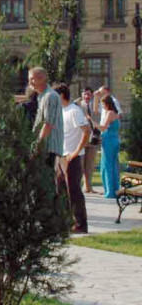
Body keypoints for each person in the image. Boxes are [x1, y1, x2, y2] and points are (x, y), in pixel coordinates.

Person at [53, 83, 90, 233]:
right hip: (60, 155)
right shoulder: (61, 111)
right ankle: (66, 221)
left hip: (72, 157)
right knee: (60, 190)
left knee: (73, 191)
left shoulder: (74, 111)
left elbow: (86, 132)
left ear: (61, 95)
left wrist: (75, 152)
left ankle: (81, 225)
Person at [29, 67, 64, 167]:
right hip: (45, 147)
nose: (30, 82)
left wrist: (38, 145)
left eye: (32, 79)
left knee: (46, 179)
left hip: (48, 148)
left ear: (42, 79)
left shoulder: (50, 96)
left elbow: (48, 124)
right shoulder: (41, 96)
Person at [89, 94, 121, 199]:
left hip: (109, 141)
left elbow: (103, 128)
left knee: (107, 165)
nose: (102, 106)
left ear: (107, 104)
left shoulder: (110, 113)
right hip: (114, 139)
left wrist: (92, 121)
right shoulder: (116, 113)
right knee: (113, 165)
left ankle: (110, 191)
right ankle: (115, 189)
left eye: (102, 104)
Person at [76, 87, 99, 193]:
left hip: (93, 138)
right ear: (82, 95)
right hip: (81, 138)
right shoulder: (77, 105)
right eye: (85, 94)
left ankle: (88, 187)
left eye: (89, 94)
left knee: (89, 164)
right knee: (80, 164)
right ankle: (78, 186)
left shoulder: (96, 106)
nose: (87, 96)